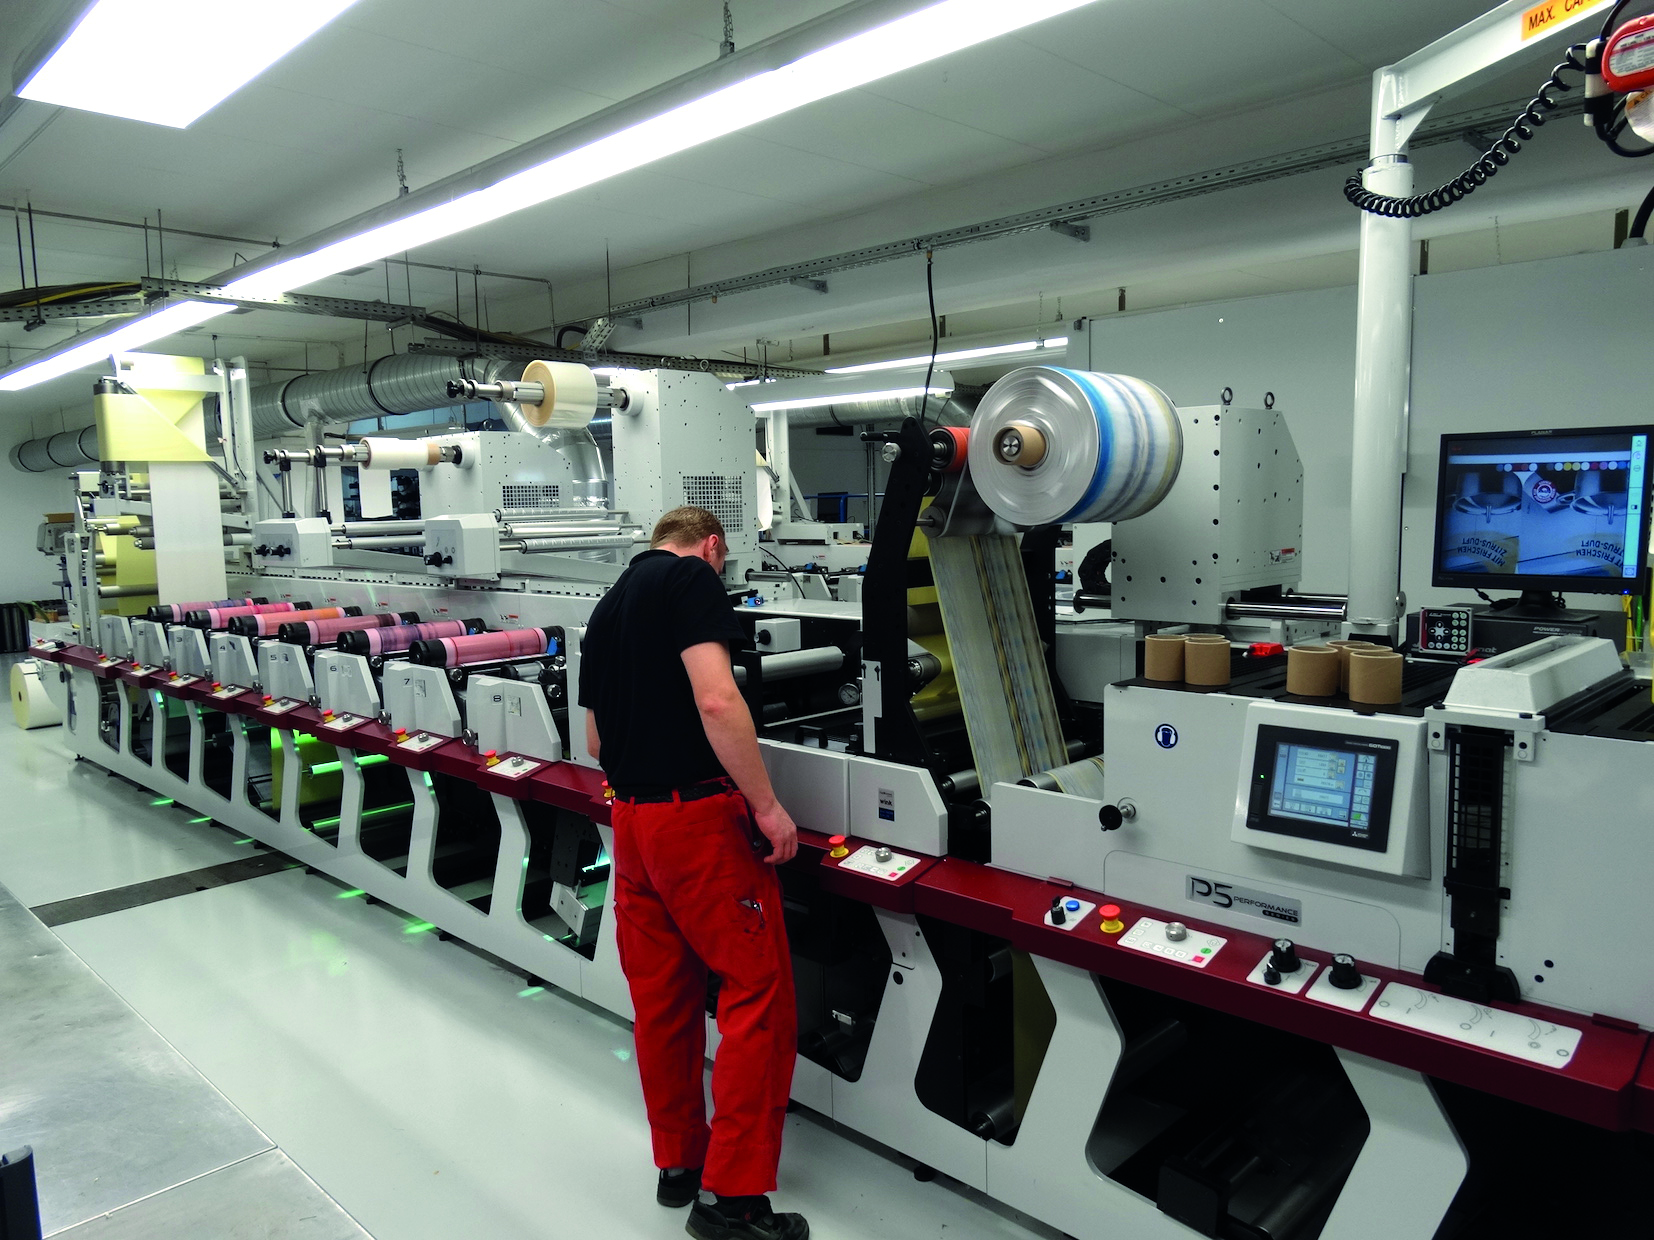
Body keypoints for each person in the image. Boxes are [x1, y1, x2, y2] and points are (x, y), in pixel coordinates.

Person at [578, 505, 807, 1240]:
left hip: (632, 824)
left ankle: (679, 1165)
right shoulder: (690, 579)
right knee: (756, 994)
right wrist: (766, 806)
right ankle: (733, 1202)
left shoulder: (606, 607)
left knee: (663, 1002)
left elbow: (594, 741)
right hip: (696, 826)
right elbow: (715, 696)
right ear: (712, 546)